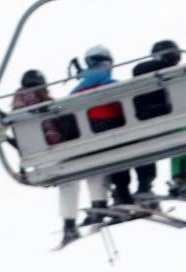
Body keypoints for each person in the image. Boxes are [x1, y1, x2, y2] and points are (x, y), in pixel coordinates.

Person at [58, 45, 133, 243]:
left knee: (94, 164)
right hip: (108, 127)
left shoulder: (80, 86)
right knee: (120, 156)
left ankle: (98, 206)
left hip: (86, 133)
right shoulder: (107, 81)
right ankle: (119, 196)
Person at [129, 39, 186, 205]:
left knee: (183, 133)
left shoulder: (147, 72)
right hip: (168, 123)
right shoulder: (169, 74)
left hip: (150, 127)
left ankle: (179, 179)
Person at [10, 69, 62, 147]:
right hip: (48, 137)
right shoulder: (28, 94)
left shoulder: (21, 94)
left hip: (32, 140)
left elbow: (17, 110)